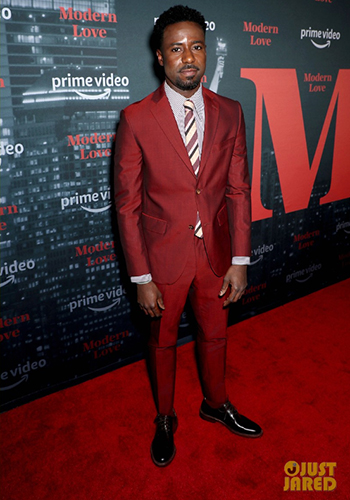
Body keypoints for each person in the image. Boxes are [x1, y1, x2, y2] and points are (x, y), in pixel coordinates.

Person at [114, 5, 263, 467]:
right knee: (161, 343)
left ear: (206, 50)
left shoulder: (231, 111)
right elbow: (127, 206)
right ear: (160, 57)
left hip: (215, 254)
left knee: (215, 335)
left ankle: (215, 404)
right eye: (176, 49)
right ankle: (164, 417)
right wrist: (141, 277)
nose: (188, 58)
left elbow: (238, 189)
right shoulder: (137, 119)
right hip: (162, 260)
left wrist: (240, 259)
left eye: (196, 46)